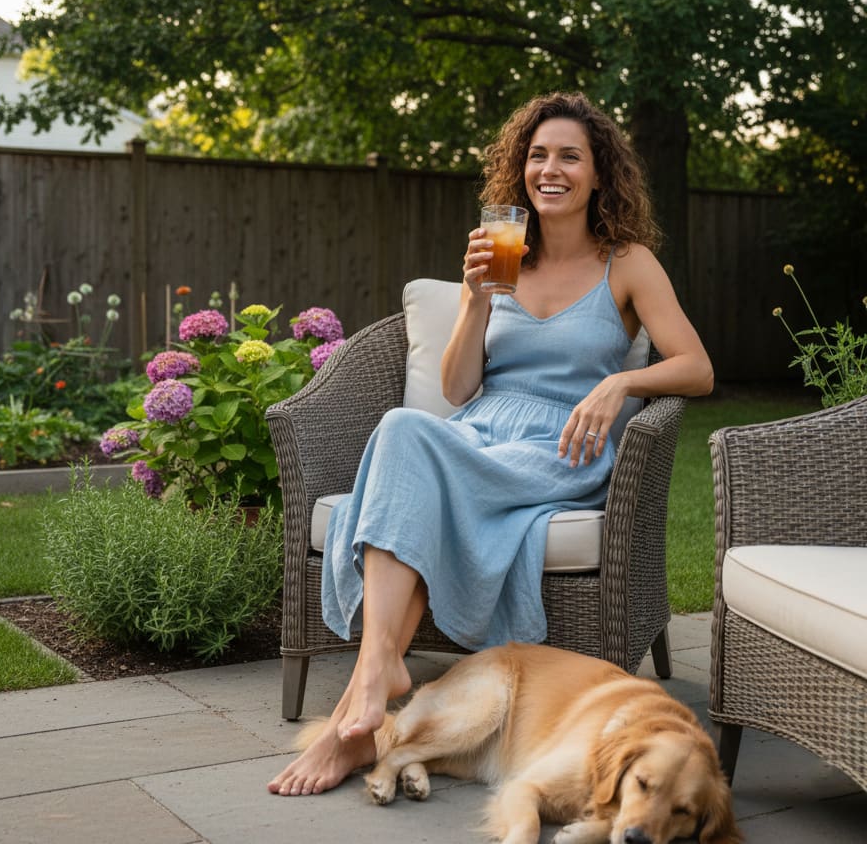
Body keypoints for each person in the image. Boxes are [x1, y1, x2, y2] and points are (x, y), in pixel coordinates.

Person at [267, 91, 713, 797]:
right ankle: (375, 681)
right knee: (403, 427)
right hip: (479, 434)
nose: (550, 169)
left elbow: (698, 368)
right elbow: (456, 386)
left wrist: (620, 383)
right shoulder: (502, 258)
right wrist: (475, 298)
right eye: (538, 156)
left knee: (410, 469)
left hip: (560, 448)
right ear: (520, 169)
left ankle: (356, 711)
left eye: (570, 156)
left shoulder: (627, 263)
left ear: (600, 173)